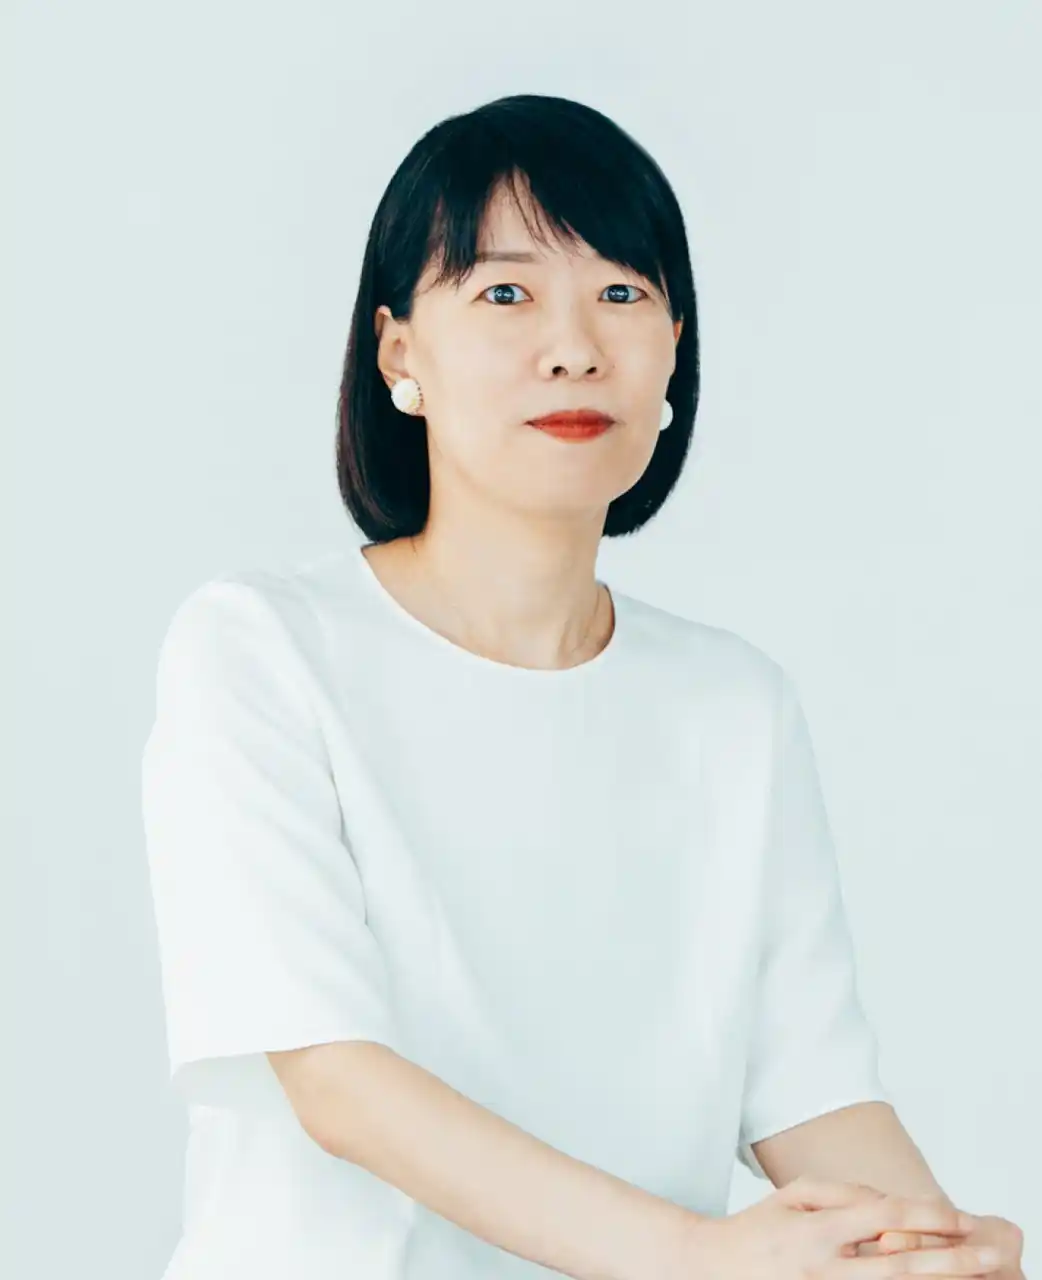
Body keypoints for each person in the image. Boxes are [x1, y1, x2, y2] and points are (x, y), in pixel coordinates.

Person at [141, 94, 1023, 1280]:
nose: (573, 347)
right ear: (398, 351)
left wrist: (933, 1247)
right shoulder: (262, 647)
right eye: (505, 293)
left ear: (673, 351)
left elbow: (814, 1095)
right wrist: (697, 1257)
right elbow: (340, 1082)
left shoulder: (734, 706)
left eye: (620, 292)